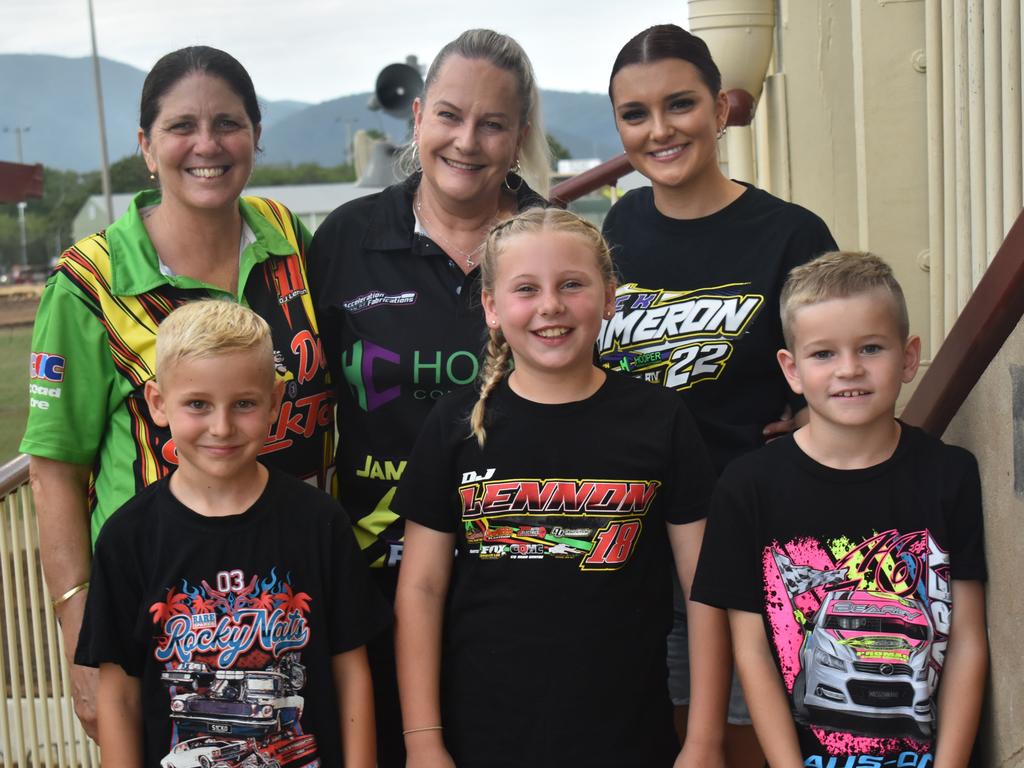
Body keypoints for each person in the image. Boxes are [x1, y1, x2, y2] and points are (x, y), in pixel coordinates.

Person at [19, 46, 334, 738]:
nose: (206, 145)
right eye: (180, 126)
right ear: (145, 145)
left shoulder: (286, 236)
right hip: (168, 621)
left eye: (227, 123)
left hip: (295, 604)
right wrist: (82, 636)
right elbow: (53, 470)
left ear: (255, 134)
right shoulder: (88, 282)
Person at [393, 208, 719, 768]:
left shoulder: (660, 420)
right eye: (526, 289)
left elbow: (705, 589)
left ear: (610, 297)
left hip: (627, 736)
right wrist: (423, 739)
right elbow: (420, 589)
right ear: (492, 307)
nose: (551, 306)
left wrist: (704, 739)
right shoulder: (454, 425)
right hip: (483, 737)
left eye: (572, 284)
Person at [307, 28, 549, 764]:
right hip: (374, 582)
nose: (466, 141)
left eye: (492, 123)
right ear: (416, 119)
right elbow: (303, 405)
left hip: (521, 582)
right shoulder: (347, 240)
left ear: (518, 137)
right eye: (449, 115)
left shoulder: (549, 241)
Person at [599, 23, 840, 764]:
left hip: (747, 535)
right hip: (638, 532)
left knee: (745, 735)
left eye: (680, 105)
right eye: (635, 114)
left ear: (721, 108)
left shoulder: (790, 236)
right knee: (668, 725)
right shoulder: (621, 225)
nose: (660, 130)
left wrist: (811, 417)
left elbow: (831, 367)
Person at [692, 252, 988, 767]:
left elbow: (965, 640)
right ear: (792, 369)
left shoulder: (950, 475)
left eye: (871, 347)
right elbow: (753, 651)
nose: (849, 368)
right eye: (824, 354)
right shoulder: (747, 487)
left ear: (909, 356)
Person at [74, 300, 389, 768]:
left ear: (275, 402)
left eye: (243, 404)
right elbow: (119, 696)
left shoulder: (320, 522)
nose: (221, 428)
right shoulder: (128, 537)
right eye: (197, 404)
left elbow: (350, 671)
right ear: (159, 404)